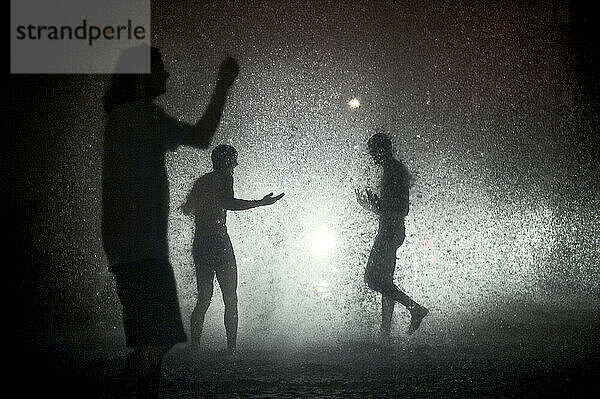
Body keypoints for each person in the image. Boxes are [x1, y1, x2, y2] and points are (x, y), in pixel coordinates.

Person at [101, 45, 239, 398]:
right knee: (158, 342)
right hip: (141, 248)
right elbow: (201, 137)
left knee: (151, 343)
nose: (167, 75)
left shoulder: (122, 117)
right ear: (140, 77)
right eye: (159, 68)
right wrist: (223, 83)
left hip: (130, 245)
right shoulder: (138, 114)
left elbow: (187, 208)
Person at [181, 144, 284, 356]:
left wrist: (205, 207)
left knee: (204, 298)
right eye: (234, 160)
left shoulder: (202, 181)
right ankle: (231, 349)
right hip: (218, 241)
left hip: (200, 242)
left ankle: (194, 347)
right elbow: (229, 203)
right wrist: (261, 203)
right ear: (226, 161)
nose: (236, 165)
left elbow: (186, 209)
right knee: (230, 297)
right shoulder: (225, 177)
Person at [355, 133, 428, 341]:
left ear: (381, 150)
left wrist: (376, 205)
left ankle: (414, 308)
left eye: (372, 151)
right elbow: (392, 208)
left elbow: (402, 208)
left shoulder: (393, 171)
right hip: (391, 231)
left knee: (371, 279)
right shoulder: (391, 170)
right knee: (387, 282)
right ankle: (385, 334)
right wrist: (373, 206)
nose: (371, 157)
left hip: (390, 233)